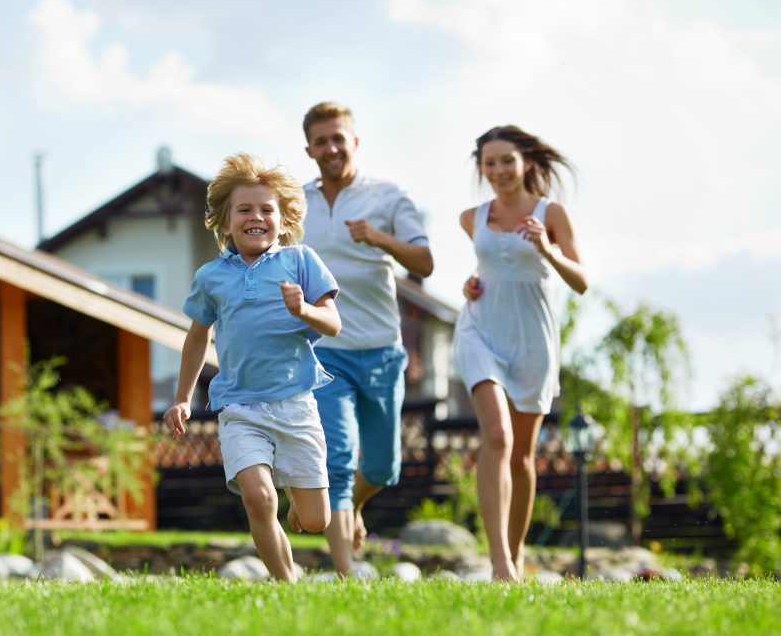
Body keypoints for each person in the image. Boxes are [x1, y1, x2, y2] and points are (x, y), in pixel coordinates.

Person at [163, 152, 341, 582]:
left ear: (283, 220)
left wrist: (304, 312)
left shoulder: (301, 260)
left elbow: (333, 323)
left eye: (267, 210)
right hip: (240, 407)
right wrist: (183, 399)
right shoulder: (211, 276)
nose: (255, 217)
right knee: (259, 499)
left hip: (295, 403)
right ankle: (288, 584)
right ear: (225, 222)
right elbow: (197, 337)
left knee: (317, 521)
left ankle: (301, 501)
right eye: (244, 209)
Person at [300, 102, 434, 576]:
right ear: (309, 148)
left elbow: (424, 263)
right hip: (324, 350)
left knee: (382, 468)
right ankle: (344, 574)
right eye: (321, 140)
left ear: (354, 142)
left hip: (380, 351)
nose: (331, 148)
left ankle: (353, 507)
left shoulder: (387, 196)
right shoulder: (297, 204)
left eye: (339, 138)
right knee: (337, 459)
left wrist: (380, 239)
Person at [453, 125, 588, 581]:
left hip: (532, 338)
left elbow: (581, 280)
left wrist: (547, 249)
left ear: (526, 162)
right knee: (497, 436)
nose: (498, 171)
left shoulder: (552, 213)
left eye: (506, 161)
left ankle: (516, 549)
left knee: (521, 456)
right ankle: (499, 563)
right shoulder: (471, 217)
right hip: (481, 331)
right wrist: (470, 283)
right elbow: (488, 266)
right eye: (489, 163)